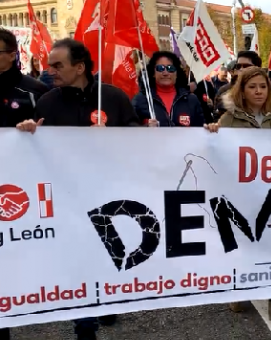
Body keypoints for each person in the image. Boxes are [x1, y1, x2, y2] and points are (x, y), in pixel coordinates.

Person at [15, 38, 139, 340]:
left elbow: (139, 141)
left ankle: (106, 296)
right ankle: (85, 325)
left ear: (80, 66)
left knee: (109, 255)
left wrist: (114, 136)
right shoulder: (47, 102)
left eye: (58, 65)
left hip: (109, 195)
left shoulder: (113, 98)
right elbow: (34, 153)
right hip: (67, 198)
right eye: (49, 65)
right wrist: (28, 133)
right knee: (80, 260)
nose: (50, 71)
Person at [204, 66, 271, 333]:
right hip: (242, 192)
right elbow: (213, 150)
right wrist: (212, 132)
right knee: (244, 241)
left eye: (263, 86)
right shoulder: (228, 118)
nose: (258, 91)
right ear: (242, 90)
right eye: (252, 87)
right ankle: (240, 286)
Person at [0, 28, 49, 340]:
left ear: (12, 53)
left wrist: (35, 131)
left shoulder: (34, 89)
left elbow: (53, 134)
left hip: (24, 188)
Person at [132, 51, 205, 127]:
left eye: (170, 68)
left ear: (176, 73)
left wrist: (210, 128)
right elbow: (129, 131)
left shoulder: (191, 100)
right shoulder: (140, 100)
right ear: (153, 73)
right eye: (160, 68)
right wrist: (146, 127)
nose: (165, 73)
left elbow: (200, 130)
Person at [215, 50, 262, 115]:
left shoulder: (265, 94)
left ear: (257, 69)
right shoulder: (224, 92)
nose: (241, 69)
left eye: (246, 66)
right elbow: (218, 119)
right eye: (238, 66)